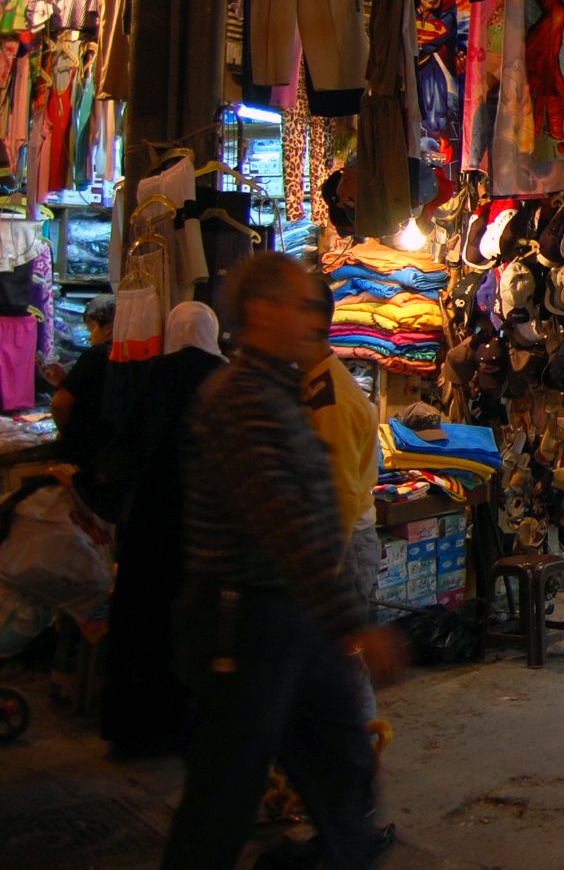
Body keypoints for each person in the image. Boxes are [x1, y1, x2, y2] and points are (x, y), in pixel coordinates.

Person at [164, 254, 407, 870]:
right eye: (300, 306)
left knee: (341, 765)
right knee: (225, 792)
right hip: (244, 621)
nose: (312, 321)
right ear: (261, 312)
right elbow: (284, 525)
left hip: (290, 616)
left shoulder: (282, 391)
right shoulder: (242, 400)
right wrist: (354, 622)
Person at [103, 301, 225, 759]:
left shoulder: (158, 374)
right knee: (194, 626)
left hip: (153, 522)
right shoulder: (224, 378)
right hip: (204, 525)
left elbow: (132, 448)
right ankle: (190, 725)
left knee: (144, 620)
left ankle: (139, 730)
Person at [295, 273, 383, 728]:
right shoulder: (315, 385)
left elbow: (340, 495)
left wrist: (322, 572)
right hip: (340, 544)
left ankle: (359, 745)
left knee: (343, 661)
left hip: (342, 547)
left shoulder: (330, 397)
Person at [51, 293, 119, 515]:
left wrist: (64, 430)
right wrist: (64, 382)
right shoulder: (129, 354)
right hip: (110, 451)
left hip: (86, 452)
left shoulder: (96, 355)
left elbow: (60, 404)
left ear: (108, 329)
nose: (89, 337)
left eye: (92, 330)